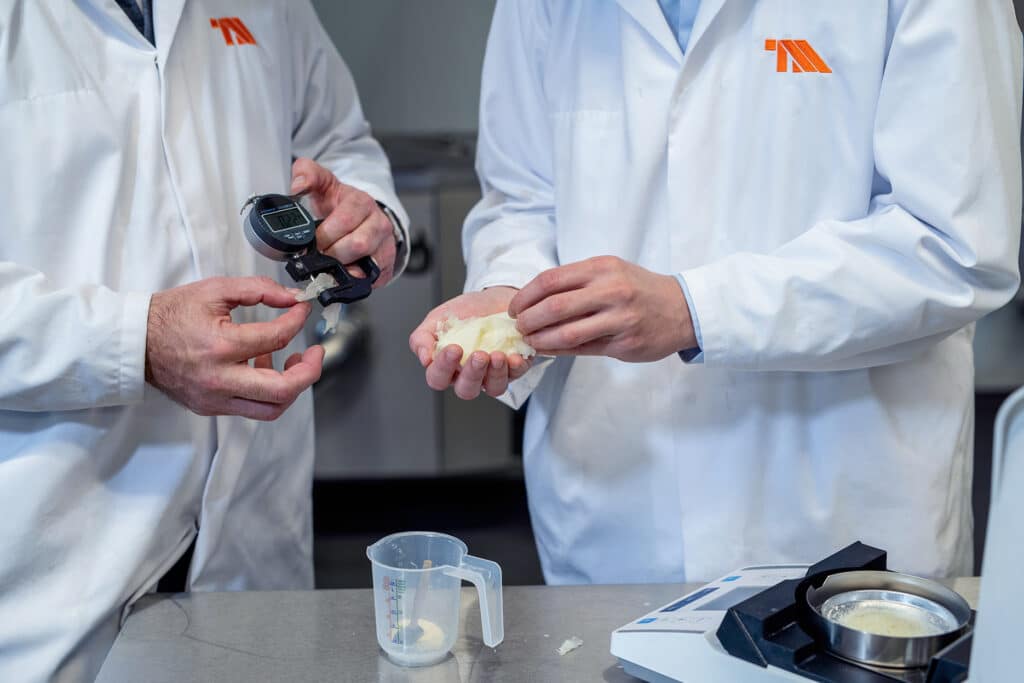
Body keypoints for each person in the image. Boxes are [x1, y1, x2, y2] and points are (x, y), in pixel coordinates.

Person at [411, 0, 1023, 585]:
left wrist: (695, 311)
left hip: (839, 510)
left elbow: (953, 248)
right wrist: (513, 295)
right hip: (615, 501)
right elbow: (521, 197)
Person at [0, 1, 408, 680]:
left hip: (255, 537)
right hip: (60, 566)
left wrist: (367, 215)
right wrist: (137, 340)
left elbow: (338, 139)